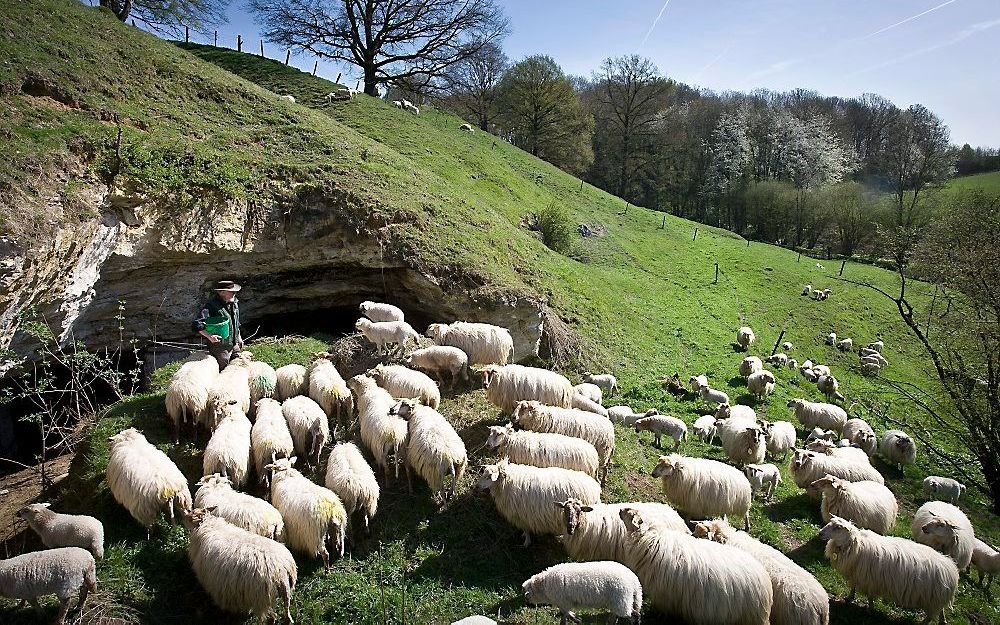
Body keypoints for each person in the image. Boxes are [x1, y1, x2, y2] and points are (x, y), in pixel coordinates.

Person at [193, 280, 243, 369]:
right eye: (231, 292)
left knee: (237, 362)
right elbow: (197, 324)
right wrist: (210, 337)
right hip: (220, 346)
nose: (234, 293)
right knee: (223, 366)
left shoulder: (234, 303)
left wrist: (239, 337)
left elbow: (236, 322)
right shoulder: (211, 306)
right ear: (221, 293)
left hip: (234, 343)